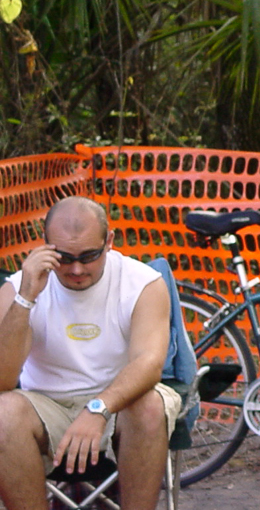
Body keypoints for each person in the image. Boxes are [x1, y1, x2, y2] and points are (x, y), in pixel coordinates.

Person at [0, 196, 181, 510]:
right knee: (1, 414)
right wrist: (26, 298)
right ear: (45, 246)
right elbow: (2, 379)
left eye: (89, 256)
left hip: (120, 406)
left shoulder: (142, 283)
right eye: (64, 257)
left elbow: (149, 364)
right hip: (46, 406)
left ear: (109, 241)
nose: (76, 269)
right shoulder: (17, 289)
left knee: (150, 405)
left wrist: (99, 408)